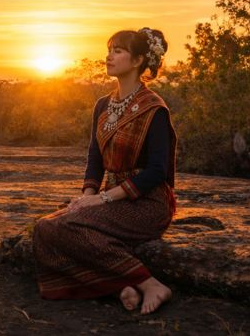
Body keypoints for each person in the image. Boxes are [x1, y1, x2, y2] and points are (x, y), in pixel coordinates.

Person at [32, 27, 177, 314]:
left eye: (118, 51)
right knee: (44, 228)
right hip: (110, 197)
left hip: (147, 203)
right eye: (109, 49)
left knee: (69, 226)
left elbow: (157, 171)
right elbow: (95, 158)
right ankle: (119, 287)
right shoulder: (102, 105)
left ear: (137, 61)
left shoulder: (153, 109)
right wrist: (86, 197)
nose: (109, 56)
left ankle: (151, 284)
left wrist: (101, 200)